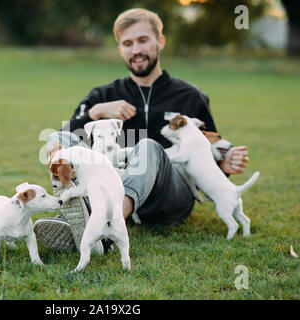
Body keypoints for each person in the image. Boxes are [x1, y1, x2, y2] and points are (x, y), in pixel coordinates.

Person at [33, 8, 249, 253]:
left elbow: (207, 151)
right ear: (120, 49)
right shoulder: (103, 95)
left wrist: (225, 163)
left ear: (160, 41)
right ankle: (78, 213)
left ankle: (105, 227)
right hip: (114, 181)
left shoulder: (189, 96)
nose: (136, 50)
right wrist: (96, 112)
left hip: (169, 196)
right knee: (57, 137)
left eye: (143, 40)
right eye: (128, 43)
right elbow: (70, 137)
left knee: (147, 147)